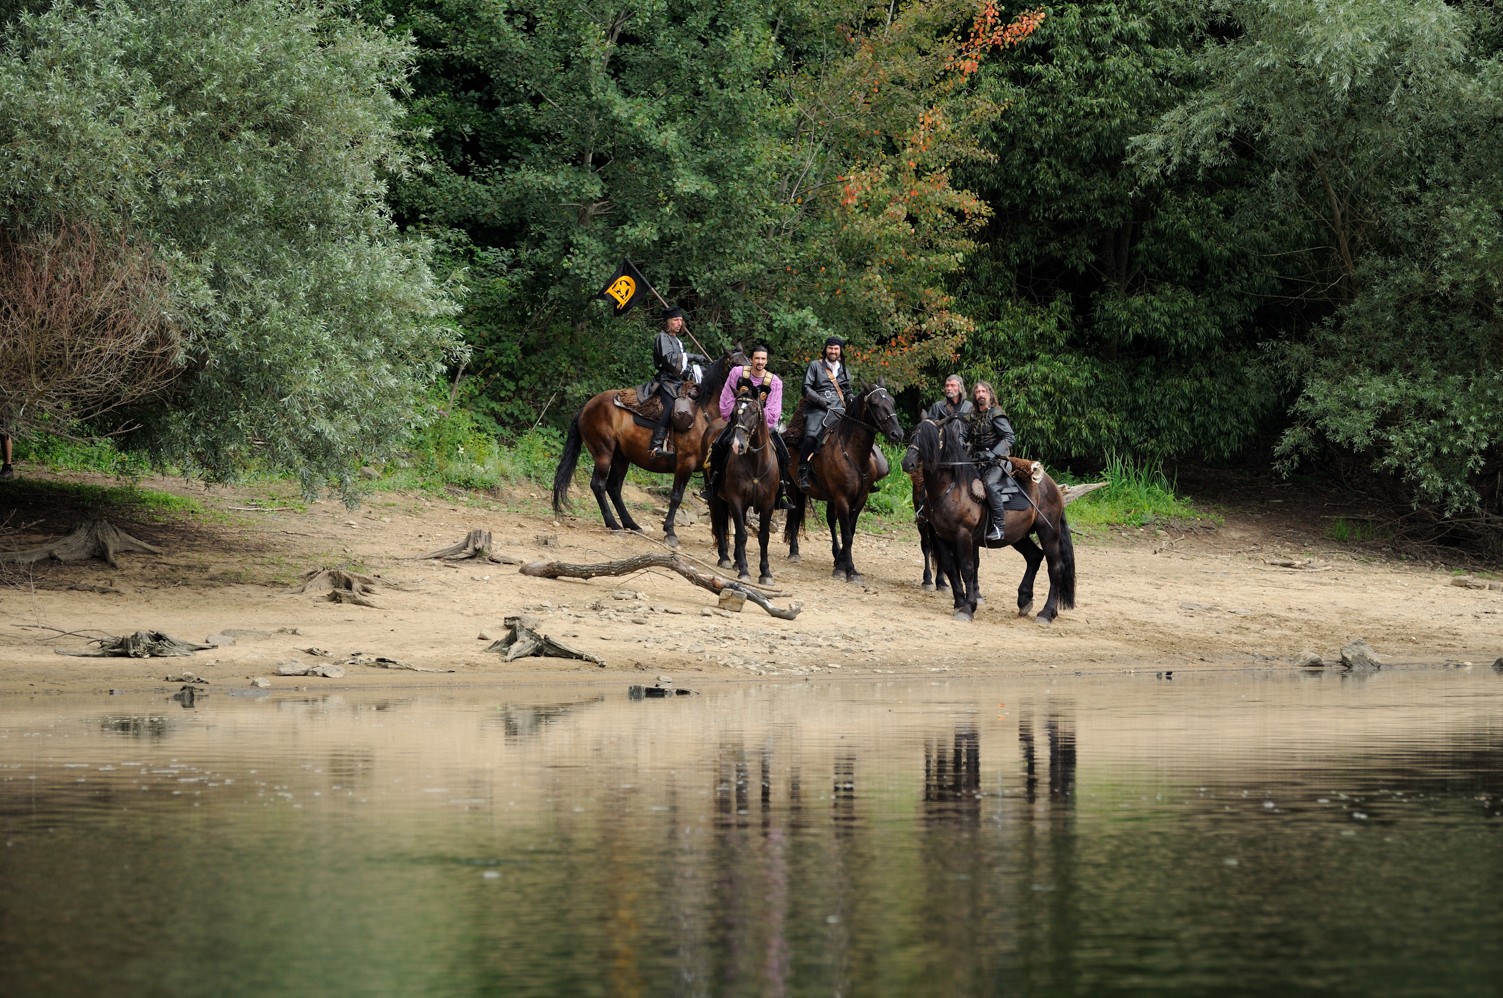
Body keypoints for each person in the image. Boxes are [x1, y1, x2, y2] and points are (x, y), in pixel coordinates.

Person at [699, 345, 794, 509]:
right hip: (739, 421)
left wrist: (756, 418)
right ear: (752, 359)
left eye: (763, 359)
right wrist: (733, 415)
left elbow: (774, 410)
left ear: (767, 361)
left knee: (784, 453)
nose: (760, 362)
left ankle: (781, 492)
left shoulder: (774, 382)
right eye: (757, 358)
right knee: (718, 446)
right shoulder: (737, 373)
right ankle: (713, 484)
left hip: (764, 426)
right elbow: (726, 397)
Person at [795, 335, 852, 489]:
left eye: (836, 348)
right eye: (830, 348)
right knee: (811, 437)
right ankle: (802, 471)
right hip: (817, 408)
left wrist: (851, 397)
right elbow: (806, 388)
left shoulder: (844, 369)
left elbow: (847, 390)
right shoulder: (815, 365)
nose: (833, 351)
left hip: (840, 409)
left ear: (840, 351)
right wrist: (821, 401)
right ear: (825, 349)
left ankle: (863, 474)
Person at [964, 381, 1016, 542]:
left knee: (989, 484)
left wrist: (994, 453)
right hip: (976, 460)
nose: (980, 394)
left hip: (997, 461)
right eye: (977, 391)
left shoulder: (996, 413)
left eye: (983, 391)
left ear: (990, 394)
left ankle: (999, 527)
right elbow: (965, 435)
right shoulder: (972, 415)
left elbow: (1010, 437)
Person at [648, 306, 691, 457]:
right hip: (665, 381)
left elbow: (683, 366)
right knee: (670, 407)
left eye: (680, 320)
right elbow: (670, 360)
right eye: (676, 320)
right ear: (668, 322)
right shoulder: (662, 338)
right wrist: (691, 356)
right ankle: (656, 445)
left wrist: (695, 370)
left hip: (678, 382)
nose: (679, 323)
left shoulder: (677, 341)